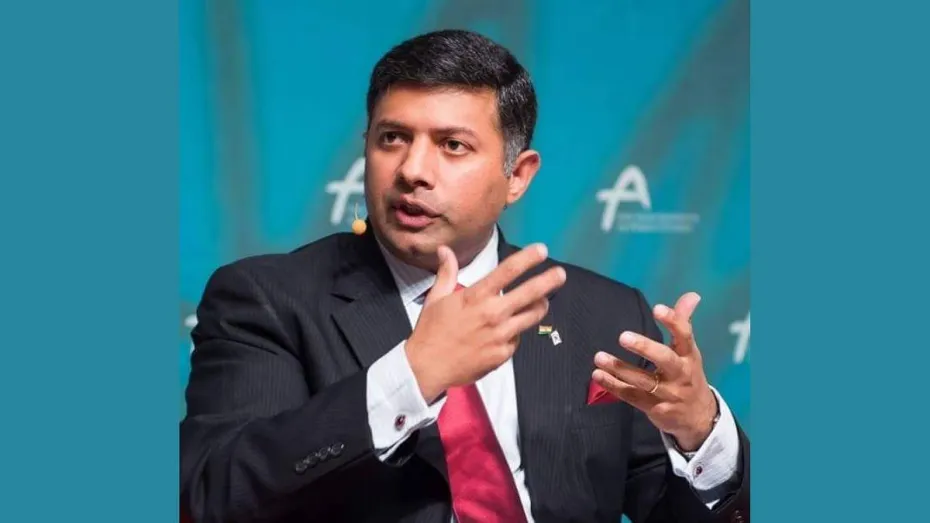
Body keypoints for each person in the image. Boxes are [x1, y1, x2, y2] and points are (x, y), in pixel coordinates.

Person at [180, 29, 749, 523]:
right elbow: (212, 495)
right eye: (392, 138)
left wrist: (701, 433)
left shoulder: (605, 313)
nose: (412, 170)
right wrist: (412, 375)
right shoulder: (267, 299)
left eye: (452, 145)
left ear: (517, 176)